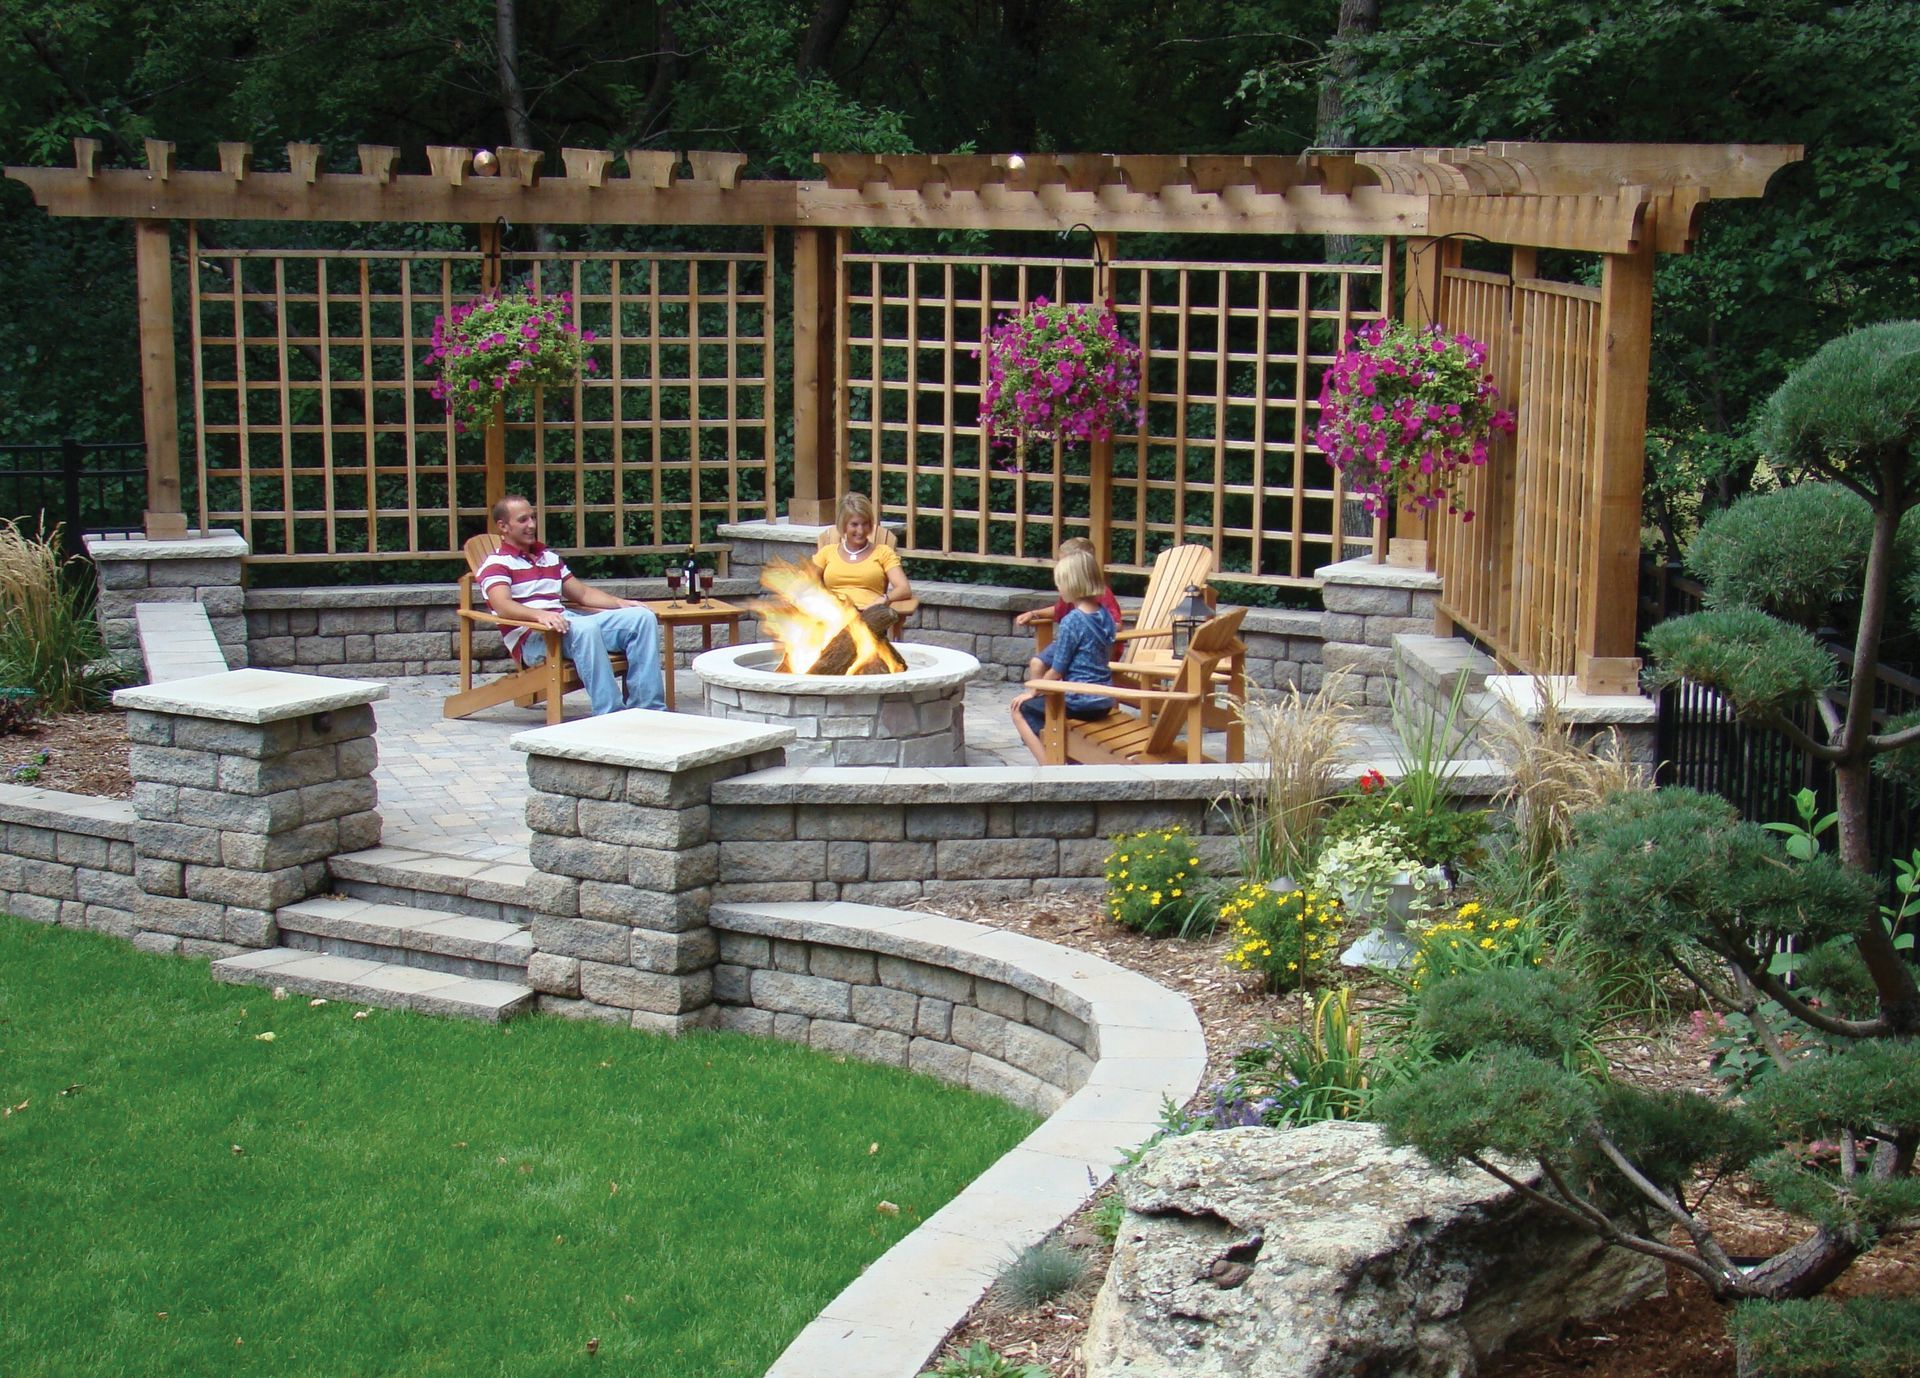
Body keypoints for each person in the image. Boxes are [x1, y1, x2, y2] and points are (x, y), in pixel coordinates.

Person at [476, 494, 667, 716]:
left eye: (533, 518)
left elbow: (583, 594)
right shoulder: (496, 564)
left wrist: (621, 603)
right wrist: (539, 615)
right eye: (523, 520)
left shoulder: (548, 558)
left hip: (568, 625)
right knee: (585, 628)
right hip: (536, 638)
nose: (532, 525)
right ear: (503, 526)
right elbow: (503, 606)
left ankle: (649, 709)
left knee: (641, 618)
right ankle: (611, 714)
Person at [1010, 547, 1117, 762]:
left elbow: (1057, 670)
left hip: (1079, 702)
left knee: (1020, 709)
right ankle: (1067, 757)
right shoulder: (1104, 615)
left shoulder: (1073, 621)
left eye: (1060, 583)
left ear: (1070, 584)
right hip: (1103, 701)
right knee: (1041, 705)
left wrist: (1032, 691)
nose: (1058, 588)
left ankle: (1051, 768)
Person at [811, 492, 913, 612]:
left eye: (865, 524)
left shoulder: (883, 553)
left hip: (868, 617)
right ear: (843, 525)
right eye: (854, 525)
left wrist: (885, 599)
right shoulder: (827, 552)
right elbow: (806, 583)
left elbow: (904, 588)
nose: (860, 531)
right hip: (833, 616)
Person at [1013, 536, 1122, 631]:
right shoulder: (1072, 592)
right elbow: (1058, 610)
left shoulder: (1101, 593)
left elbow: (1116, 625)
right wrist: (1033, 614)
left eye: (1064, 563)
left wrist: (1085, 629)